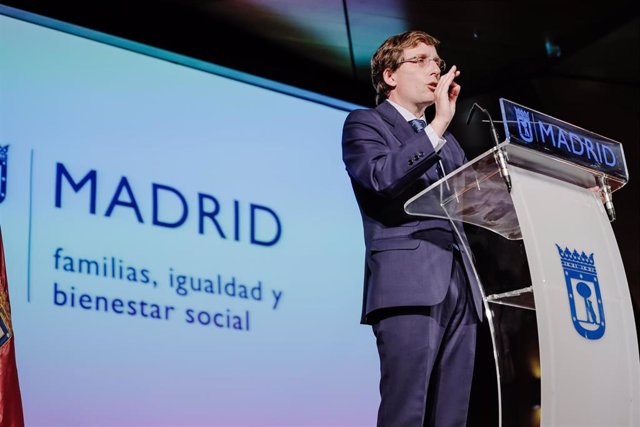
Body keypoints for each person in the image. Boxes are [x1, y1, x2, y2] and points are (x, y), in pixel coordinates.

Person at [341, 31, 483, 427]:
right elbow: (382, 177)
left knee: (451, 416)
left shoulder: (449, 142)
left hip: (461, 284)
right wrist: (436, 126)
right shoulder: (365, 124)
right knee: (406, 413)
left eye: (436, 60)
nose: (434, 67)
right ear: (390, 75)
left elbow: (476, 201)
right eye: (420, 60)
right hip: (409, 285)